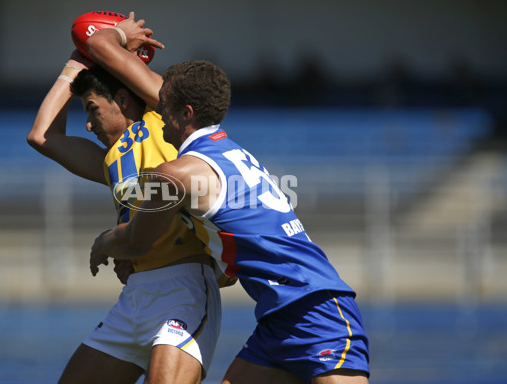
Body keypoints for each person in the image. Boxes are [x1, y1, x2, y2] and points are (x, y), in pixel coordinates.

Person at [89, 58, 371, 383]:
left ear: (187, 113)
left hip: (316, 309)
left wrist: (104, 243)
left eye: (162, 105)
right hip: (277, 321)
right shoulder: (231, 152)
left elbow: (135, 240)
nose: (157, 113)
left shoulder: (178, 173)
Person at [27, 17, 226, 384]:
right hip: (134, 295)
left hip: (185, 289)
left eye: (91, 109)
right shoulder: (110, 160)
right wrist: (76, 63)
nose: (88, 123)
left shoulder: (161, 118)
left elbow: (110, 51)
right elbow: (41, 136)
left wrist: (108, 42)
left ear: (121, 98)